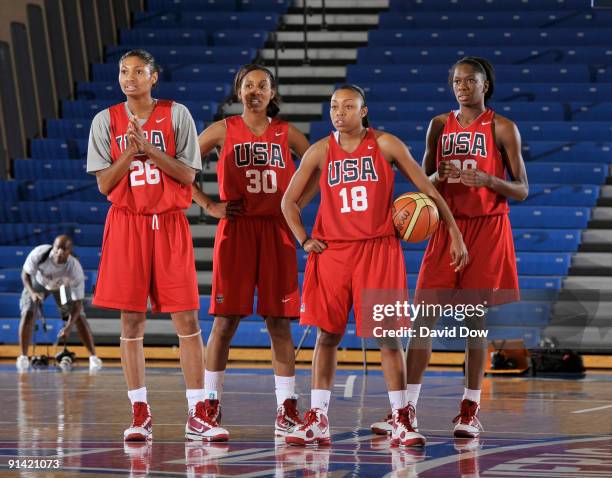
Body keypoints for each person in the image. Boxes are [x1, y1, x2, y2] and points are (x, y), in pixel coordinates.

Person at [281, 84, 468, 446]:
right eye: (334, 106)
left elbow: (429, 191)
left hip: (379, 251)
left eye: (348, 106)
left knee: (388, 337)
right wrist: (303, 239)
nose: (339, 112)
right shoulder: (320, 151)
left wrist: (454, 231)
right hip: (333, 253)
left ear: (363, 111)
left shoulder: (386, 144)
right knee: (327, 335)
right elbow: (288, 202)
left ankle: (402, 417)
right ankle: (318, 416)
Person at [372, 57, 528, 441]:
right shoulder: (439, 125)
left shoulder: (504, 128)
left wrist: (489, 179)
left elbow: (522, 188)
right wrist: (439, 176)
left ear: (485, 84)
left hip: (487, 231)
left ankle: (469, 410)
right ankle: (403, 409)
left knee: (475, 323)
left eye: (470, 80)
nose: (462, 86)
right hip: (445, 226)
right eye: (457, 80)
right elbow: (423, 180)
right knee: (423, 320)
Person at [86, 49, 227, 442]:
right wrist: (130, 151)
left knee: (186, 320)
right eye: (123, 71)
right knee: (131, 323)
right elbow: (103, 185)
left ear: (154, 77)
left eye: (138, 71)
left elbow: (185, 174)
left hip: (168, 223)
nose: (130, 77)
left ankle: (198, 411)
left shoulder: (177, 114)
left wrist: (149, 147)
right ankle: (139, 412)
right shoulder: (105, 121)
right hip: (126, 225)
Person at [192, 64, 314, 440]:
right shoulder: (223, 130)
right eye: (248, 85)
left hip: (276, 231)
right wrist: (208, 206)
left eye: (262, 85)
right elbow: (181, 168)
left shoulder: (287, 133)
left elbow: (322, 168)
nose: (255, 91)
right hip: (237, 230)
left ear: (272, 93)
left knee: (279, 322)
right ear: (238, 92)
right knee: (225, 321)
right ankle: (209, 405)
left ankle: (286, 408)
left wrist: (293, 206)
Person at [17, 235, 102, 372]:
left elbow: (77, 303)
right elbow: (25, 274)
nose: (60, 252)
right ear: (53, 247)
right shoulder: (40, 253)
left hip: (61, 289)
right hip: (38, 285)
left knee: (78, 316)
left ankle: (93, 357)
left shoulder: (74, 268)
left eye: (64, 249)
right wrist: (32, 293)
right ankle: (23, 357)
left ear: (70, 252)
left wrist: (68, 327)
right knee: (28, 311)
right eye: (58, 248)